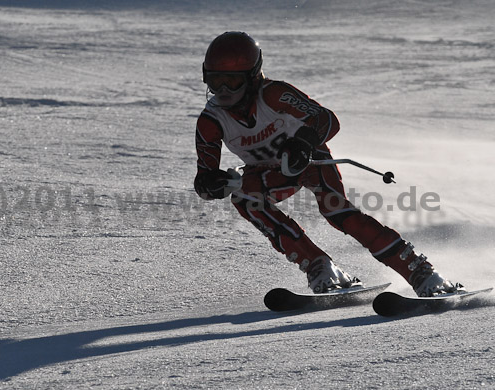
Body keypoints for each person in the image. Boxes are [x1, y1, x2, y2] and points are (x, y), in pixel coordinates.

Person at [193, 31, 463, 297]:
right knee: (243, 198)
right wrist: (212, 184)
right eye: (216, 83)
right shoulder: (211, 120)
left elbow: (326, 120)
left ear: (252, 77)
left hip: (309, 161)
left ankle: (419, 270)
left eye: (232, 81)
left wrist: (302, 144)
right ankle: (319, 265)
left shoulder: (274, 95)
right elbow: (205, 179)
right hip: (268, 172)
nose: (223, 92)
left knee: (337, 211)